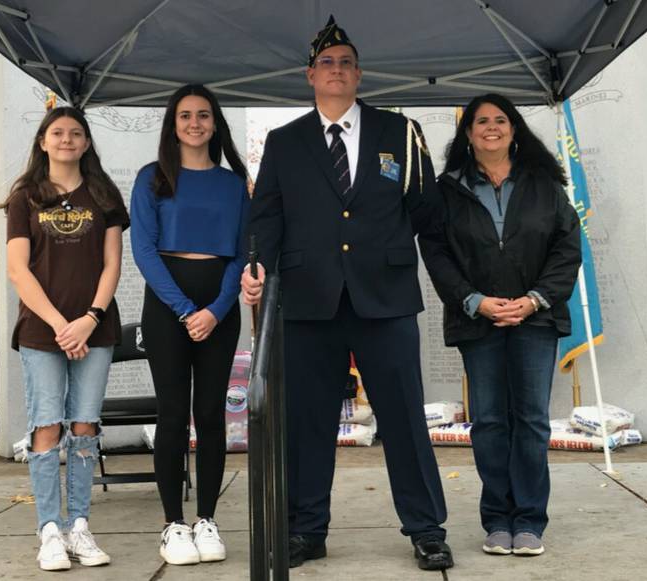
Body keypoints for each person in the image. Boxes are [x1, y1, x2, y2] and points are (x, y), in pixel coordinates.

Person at [241, 16, 453, 571]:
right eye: (327, 63)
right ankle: (306, 529)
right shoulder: (285, 143)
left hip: (385, 297)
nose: (337, 71)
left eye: (347, 63)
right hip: (309, 300)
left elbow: (427, 214)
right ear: (310, 75)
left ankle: (426, 528)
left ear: (359, 75)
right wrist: (255, 268)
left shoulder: (399, 133)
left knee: (404, 418)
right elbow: (265, 219)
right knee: (307, 423)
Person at [419, 93, 582, 557]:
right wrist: (474, 301)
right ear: (467, 134)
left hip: (536, 318)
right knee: (490, 421)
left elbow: (567, 248)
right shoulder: (446, 188)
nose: (491, 127)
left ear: (514, 130)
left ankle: (529, 520)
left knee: (530, 420)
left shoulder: (544, 183)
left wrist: (534, 300)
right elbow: (436, 252)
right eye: (481, 121)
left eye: (500, 120)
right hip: (479, 319)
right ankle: (497, 519)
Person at [2, 106, 129, 571]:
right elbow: (19, 269)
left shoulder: (104, 194)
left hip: (95, 329)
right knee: (48, 424)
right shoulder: (25, 197)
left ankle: (79, 526)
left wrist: (90, 318)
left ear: (87, 143)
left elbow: (113, 263)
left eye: (76, 133)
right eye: (58, 133)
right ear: (43, 141)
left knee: (83, 425)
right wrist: (61, 324)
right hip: (42, 331)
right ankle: (49, 531)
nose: (67, 139)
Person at [130, 84, 249, 566]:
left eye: (203, 115)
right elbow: (143, 250)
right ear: (172, 124)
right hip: (167, 303)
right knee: (173, 413)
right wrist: (184, 309)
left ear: (215, 123)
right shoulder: (152, 178)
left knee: (213, 414)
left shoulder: (234, 182)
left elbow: (243, 253)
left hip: (219, 299)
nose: (195, 123)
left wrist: (217, 309)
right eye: (185, 116)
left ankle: (206, 519)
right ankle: (173, 524)